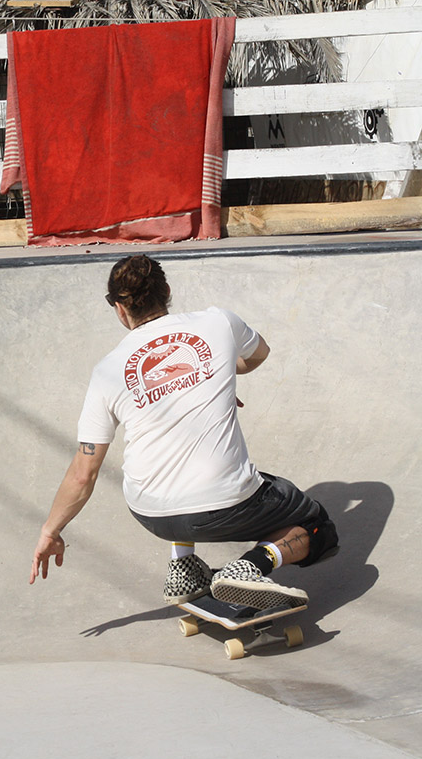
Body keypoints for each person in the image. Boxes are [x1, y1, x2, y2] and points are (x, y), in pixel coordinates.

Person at [29, 254, 338, 609]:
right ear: (168, 292)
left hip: (152, 514)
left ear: (118, 308)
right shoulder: (217, 322)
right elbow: (259, 354)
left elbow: (83, 474)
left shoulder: (107, 371)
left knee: (172, 470)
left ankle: (183, 568)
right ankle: (249, 567)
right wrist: (216, 373)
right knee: (317, 526)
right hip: (225, 507)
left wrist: (50, 531)